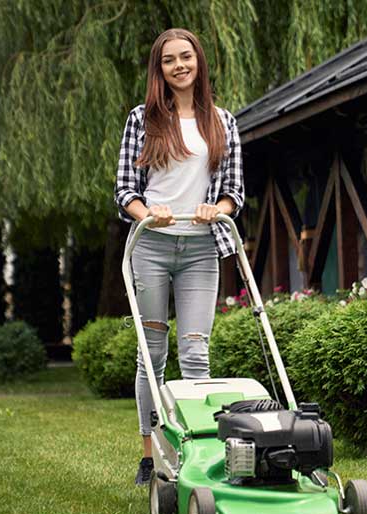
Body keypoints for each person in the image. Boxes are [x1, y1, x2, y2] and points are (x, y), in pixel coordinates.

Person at [114, 28, 244, 485]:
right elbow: (124, 190)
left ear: (198, 61)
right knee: (150, 355)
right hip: (151, 246)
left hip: (201, 249)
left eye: (185, 57)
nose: (179, 66)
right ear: (160, 69)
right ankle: (150, 457)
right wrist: (148, 212)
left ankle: (193, 451)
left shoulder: (223, 121)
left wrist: (217, 209)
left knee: (195, 354)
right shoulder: (141, 119)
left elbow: (234, 191)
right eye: (169, 60)